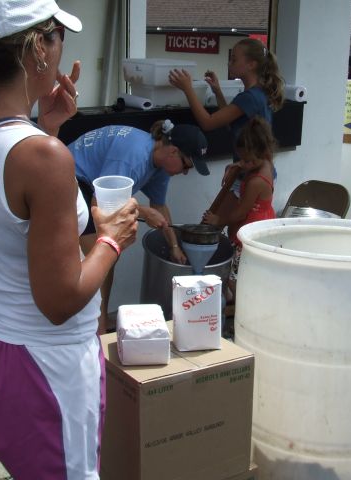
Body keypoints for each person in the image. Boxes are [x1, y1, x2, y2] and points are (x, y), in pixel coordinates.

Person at [0, 1, 138, 478]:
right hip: (44, 366)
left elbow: (1, 208)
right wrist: (111, 240)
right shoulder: (41, 157)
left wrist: (46, 128)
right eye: (58, 36)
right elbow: (60, 300)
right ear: (38, 50)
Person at [68, 119, 209, 333]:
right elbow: (102, 203)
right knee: (100, 256)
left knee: (108, 257)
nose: (186, 172)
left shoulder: (159, 165)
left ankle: (99, 321)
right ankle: (97, 327)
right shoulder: (134, 157)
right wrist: (143, 212)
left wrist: (174, 246)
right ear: (173, 151)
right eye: (187, 165)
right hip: (73, 180)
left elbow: (159, 207)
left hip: (90, 187)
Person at [168, 38, 284, 239]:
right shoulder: (258, 94)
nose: (230, 63)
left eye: (234, 59)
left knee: (211, 227)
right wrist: (217, 91)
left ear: (251, 64)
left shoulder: (249, 97)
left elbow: (208, 122)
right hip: (253, 168)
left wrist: (188, 89)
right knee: (230, 229)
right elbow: (232, 120)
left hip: (249, 174)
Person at [202, 117, 277, 301]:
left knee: (235, 277)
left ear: (262, 153)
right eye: (242, 158)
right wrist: (238, 165)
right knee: (246, 273)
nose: (244, 163)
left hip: (250, 232)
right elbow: (249, 164)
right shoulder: (266, 163)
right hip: (262, 222)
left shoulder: (256, 182)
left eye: (248, 160)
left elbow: (241, 213)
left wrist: (218, 220)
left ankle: (242, 306)